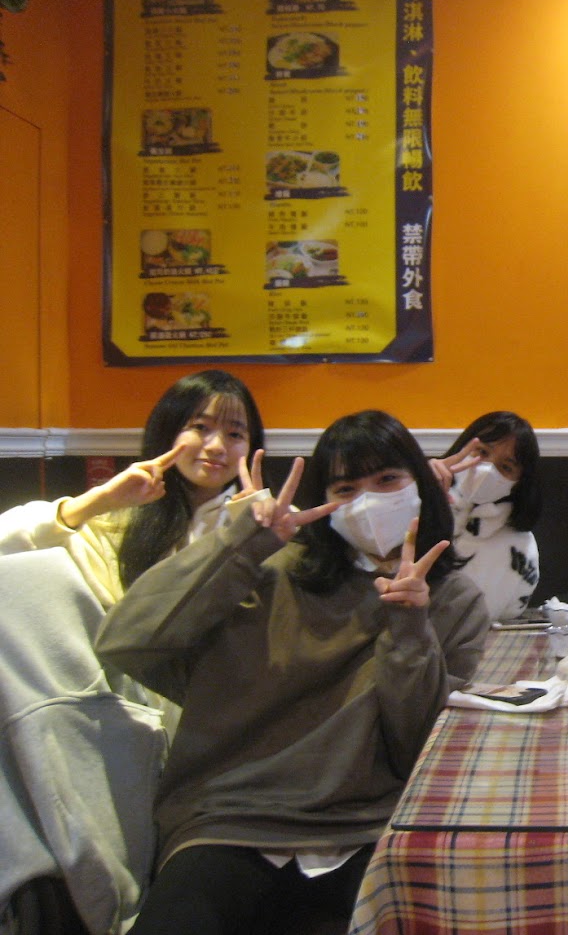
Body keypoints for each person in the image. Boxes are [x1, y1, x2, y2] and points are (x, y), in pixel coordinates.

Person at [95, 409, 490, 935]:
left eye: (388, 480)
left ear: (423, 483)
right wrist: (241, 543)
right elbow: (126, 641)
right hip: (232, 820)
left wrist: (410, 626)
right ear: (322, 502)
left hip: (365, 828)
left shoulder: (456, 601)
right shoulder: (271, 572)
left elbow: (416, 748)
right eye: (346, 488)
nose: (368, 501)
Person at [0, 368, 265, 610]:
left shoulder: (268, 523)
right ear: (167, 432)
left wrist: (257, 533)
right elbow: (8, 544)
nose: (217, 446)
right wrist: (101, 499)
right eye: (200, 427)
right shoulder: (114, 525)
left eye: (235, 434)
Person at [428, 411, 541, 622]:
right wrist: (420, 490)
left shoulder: (520, 547)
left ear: (519, 482)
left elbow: (501, 613)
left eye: (506, 467)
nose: (486, 469)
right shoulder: (418, 505)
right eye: (481, 452)